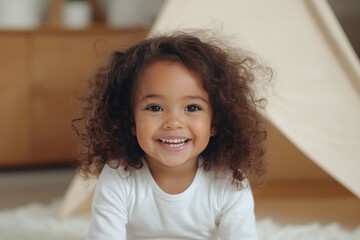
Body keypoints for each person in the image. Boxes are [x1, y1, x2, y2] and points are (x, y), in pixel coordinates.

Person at [75, 31, 270, 239]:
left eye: (192, 108)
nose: (173, 123)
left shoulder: (230, 183)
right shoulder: (119, 177)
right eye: (155, 108)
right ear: (129, 120)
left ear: (216, 122)